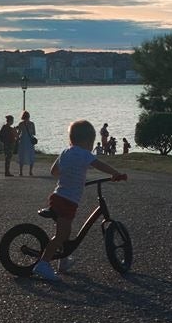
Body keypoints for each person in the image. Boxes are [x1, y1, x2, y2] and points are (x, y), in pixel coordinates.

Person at [32, 119, 125, 282]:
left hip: (58, 196)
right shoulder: (84, 154)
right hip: (67, 200)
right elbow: (99, 164)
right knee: (62, 234)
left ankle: (63, 259)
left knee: (65, 231)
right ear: (88, 141)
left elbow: (54, 171)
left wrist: (69, 174)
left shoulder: (66, 152)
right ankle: (43, 264)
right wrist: (115, 173)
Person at [16, 110, 37, 176]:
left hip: (23, 141)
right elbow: (34, 133)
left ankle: (21, 171)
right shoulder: (32, 124)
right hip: (30, 141)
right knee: (31, 155)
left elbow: (18, 133)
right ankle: (30, 171)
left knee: (22, 155)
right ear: (29, 116)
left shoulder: (21, 124)